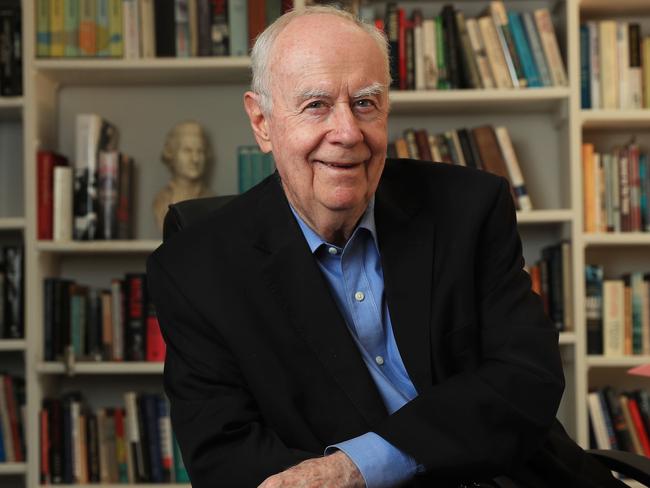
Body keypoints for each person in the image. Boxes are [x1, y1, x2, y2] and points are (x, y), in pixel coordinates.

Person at [147, 6, 625, 488]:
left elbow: (527, 378)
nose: (348, 132)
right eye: (315, 105)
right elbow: (225, 456)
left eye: (365, 103)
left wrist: (358, 467)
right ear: (262, 121)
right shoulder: (198, 266)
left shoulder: (470, 208)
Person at [152, 120, 213, 230]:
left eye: (200, 151)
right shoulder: (161, 200)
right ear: (171, 154)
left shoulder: (212, 201)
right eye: (187, 150)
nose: (195, 159)